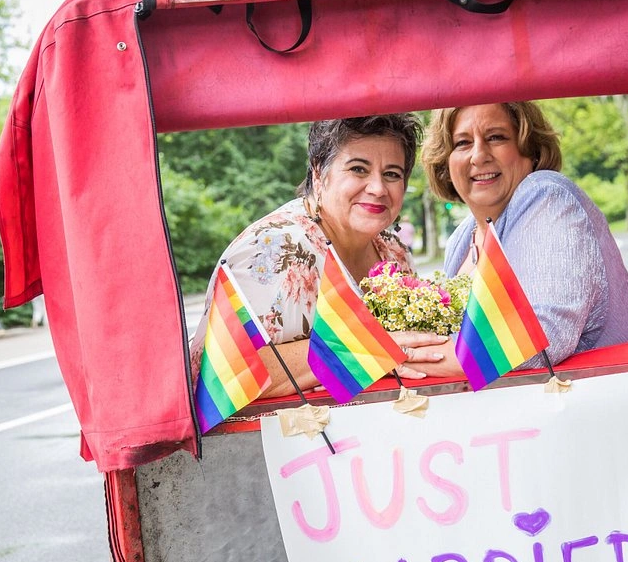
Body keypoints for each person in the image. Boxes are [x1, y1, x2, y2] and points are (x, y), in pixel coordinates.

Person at [190, 114, 447, 398]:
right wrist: (359, 350)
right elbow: (211, 372)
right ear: (318, 174)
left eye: (392, 174)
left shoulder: (393, 251)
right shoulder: (274, 248)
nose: (378, 188)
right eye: (359, 169)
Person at [409, 102, 628, 375]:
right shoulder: (461, 238)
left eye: (496, 137)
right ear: (445, 162)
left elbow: (542, 337)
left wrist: (402, 358)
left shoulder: (546, 195)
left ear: (531, 150)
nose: (479, 156)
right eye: (462, 143)